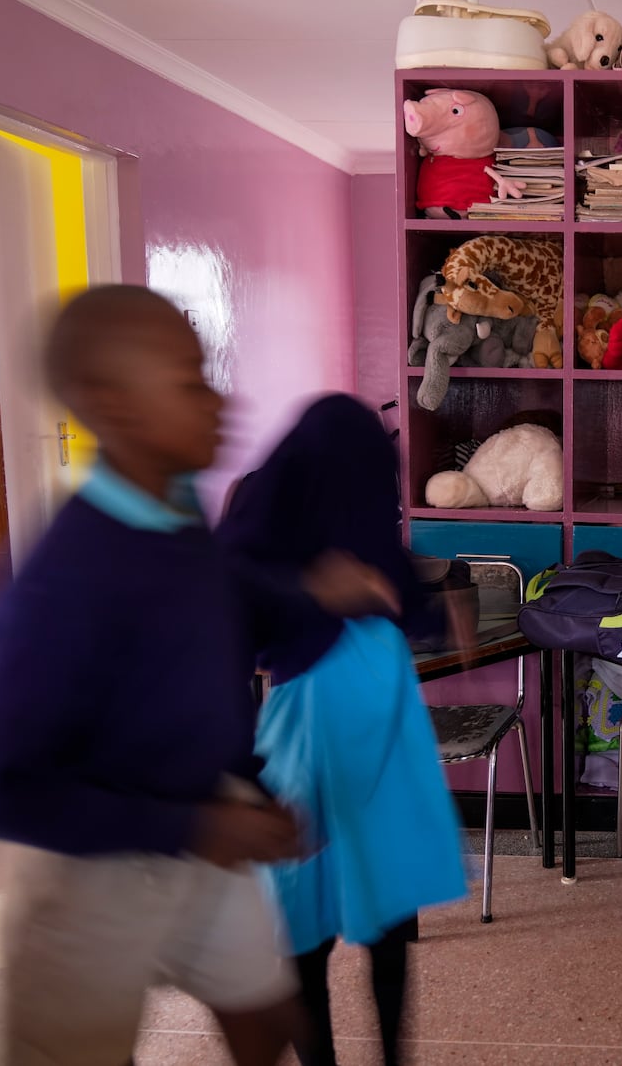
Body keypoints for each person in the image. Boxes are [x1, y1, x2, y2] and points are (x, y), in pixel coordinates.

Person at [0, 285, 376, 1066]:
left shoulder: (177, 518)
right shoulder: (61, 579)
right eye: (189, 381)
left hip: (197, 825)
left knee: (264, 1012)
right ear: (113, 407)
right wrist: (202, 825)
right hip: (86, 866)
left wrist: (314, 592)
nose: (219, 399)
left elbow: (215, 608)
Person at [218, 394, 468, 1066]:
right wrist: (316, 592)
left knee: (346, 922)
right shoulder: (268, 541)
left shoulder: (318, 519)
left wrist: (439, 614)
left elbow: (398, 593)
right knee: (326, 921)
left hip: (362, 737)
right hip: (329, 736)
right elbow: (227, 602)